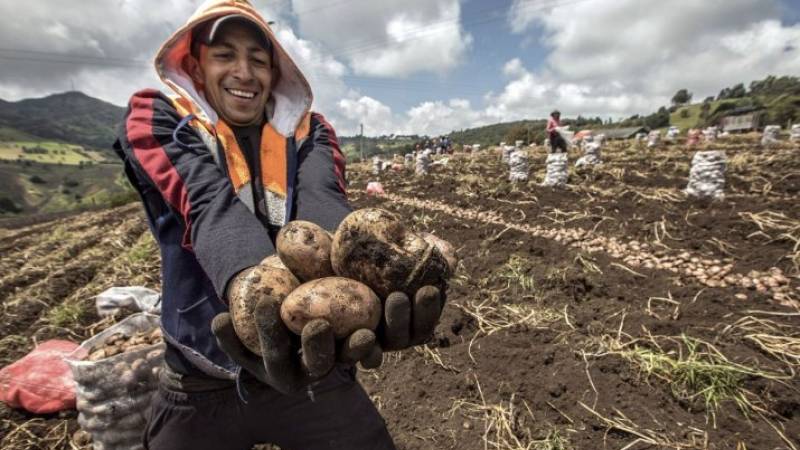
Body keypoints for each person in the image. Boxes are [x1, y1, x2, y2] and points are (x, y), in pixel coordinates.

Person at [113, 1, 445, 449]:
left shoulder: (310, 131)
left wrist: (360, 276)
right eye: (225, 55)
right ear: (195, 64)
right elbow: (206, 201)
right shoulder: (158, 117)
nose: (244, 73)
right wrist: (257, 295)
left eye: (259, 59)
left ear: (275, 71)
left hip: (306, 361)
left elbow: (323, 198)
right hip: (200, 373)